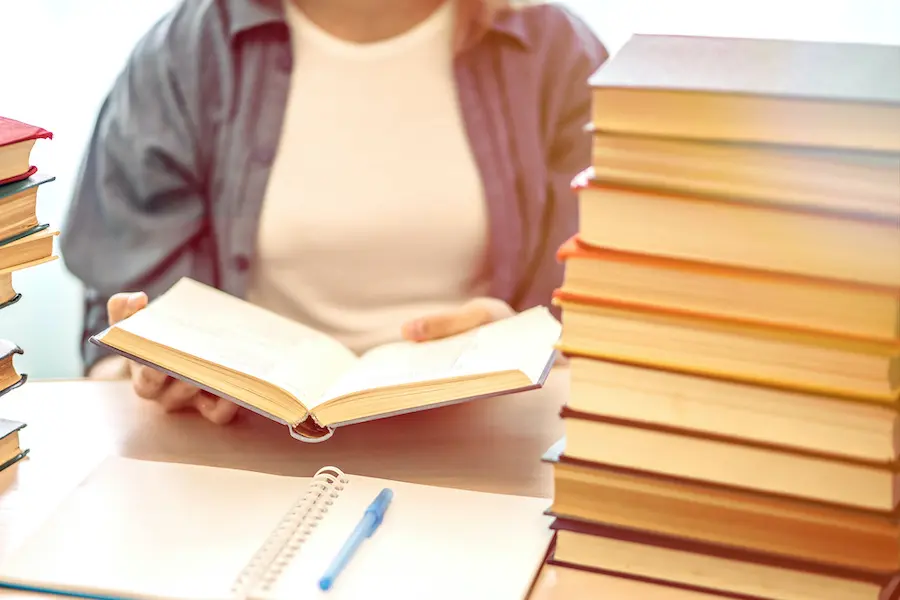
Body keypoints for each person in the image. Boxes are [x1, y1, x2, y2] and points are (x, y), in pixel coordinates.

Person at [61, 0, 607, 425]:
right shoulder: (184, 52)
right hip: (238, 446)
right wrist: (153, 368)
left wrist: (520, 342)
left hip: (490, 440)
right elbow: (117, 324)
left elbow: (606, 325)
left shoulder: (558, 55)